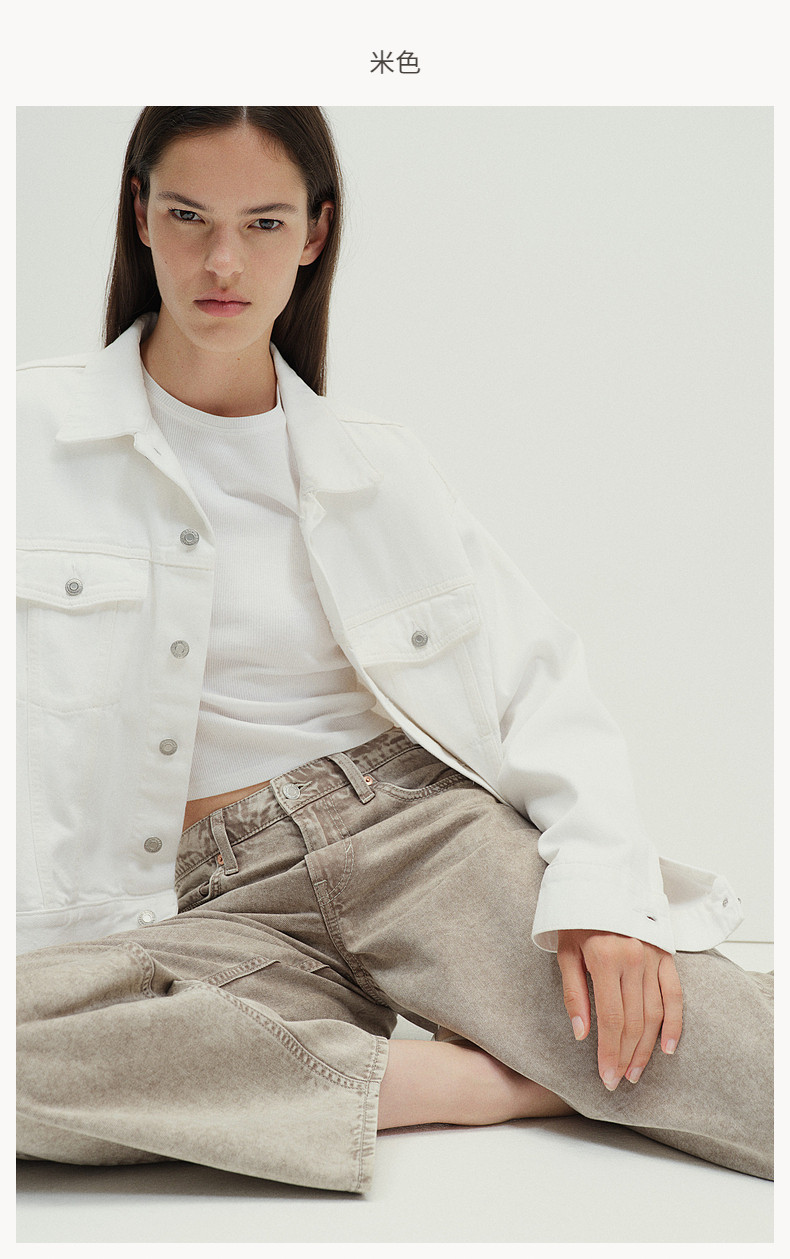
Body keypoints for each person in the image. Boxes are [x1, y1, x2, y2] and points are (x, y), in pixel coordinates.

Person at [16, 106, 773, 1193]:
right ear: (139, 214)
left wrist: (608, 895)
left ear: (314, 232)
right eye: (188, 217)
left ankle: (326, 1081)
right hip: (205, 907)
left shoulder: (380, 466)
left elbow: (538, 682)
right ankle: (459, 1082)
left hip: (415, 841)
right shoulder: (29, 435)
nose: (223, 262)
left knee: (745, 1068)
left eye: (264, 223)